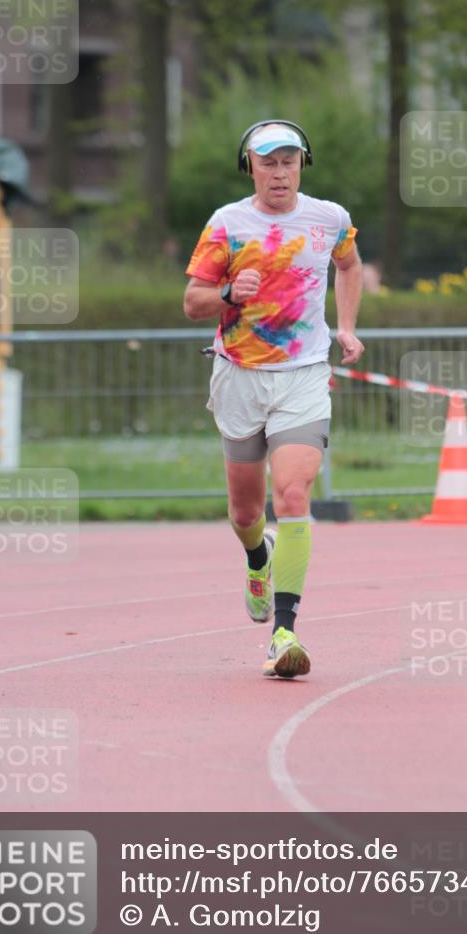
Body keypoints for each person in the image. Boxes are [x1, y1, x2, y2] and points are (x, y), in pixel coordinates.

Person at [184, 120, 364, 678]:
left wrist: (348, 328)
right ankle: (256, 557)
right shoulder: (228, 224)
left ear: (302, 164)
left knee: (291, 494)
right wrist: (226, 294)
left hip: (304, 374)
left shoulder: (329, 218)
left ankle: (284, 632)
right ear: (251, 168)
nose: (279, 172)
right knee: (245, 511)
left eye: (288, 161)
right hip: (239, 375)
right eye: (268, 162)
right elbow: (192, 302)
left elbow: (349, 265)